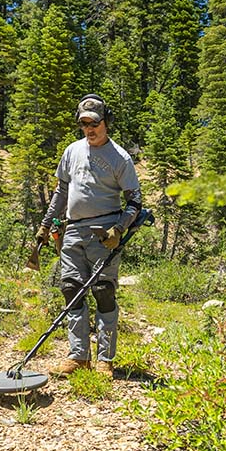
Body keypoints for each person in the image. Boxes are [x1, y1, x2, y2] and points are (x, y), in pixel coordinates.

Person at [35, 94, 142, 379]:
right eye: (84, 124)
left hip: (104, 233)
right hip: (72, 231)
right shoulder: (72, 151)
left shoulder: (120, 158)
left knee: (103, 292)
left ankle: (105, 360)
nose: (89, 129)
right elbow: (61, 192)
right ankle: (78, 356)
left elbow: (135, 201)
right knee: (71, 289)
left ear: (106, 122)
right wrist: (45, 226)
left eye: (94, 123)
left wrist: (118, 229)